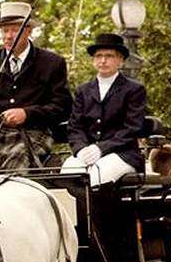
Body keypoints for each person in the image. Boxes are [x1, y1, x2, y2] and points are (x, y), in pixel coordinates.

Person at [0, 1, 72, 170]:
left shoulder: (52, 63)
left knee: (15, 162)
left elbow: (63, 107)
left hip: (34, 133)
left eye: (14, 30)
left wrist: (27, 114)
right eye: (5, 30)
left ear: (28, 31)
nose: (8, 36)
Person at [61, 33, 146, 186]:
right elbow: (75, 127)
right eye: (98, 56)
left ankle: (96, 211)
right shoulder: (83, 90)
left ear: (120, 60)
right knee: (68, 172)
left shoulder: (133, 89)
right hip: (87, 153)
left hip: (122, 154)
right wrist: (80, 149)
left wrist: (101, 148)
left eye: (109, 56)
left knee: (96, 177)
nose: (103, 60)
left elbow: (132, 128)